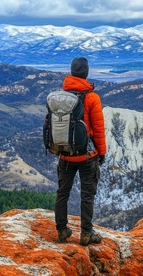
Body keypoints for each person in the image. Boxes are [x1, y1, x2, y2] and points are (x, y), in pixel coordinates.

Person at [54, 57, 107, 246]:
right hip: (87, 155)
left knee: (63, 192)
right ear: (86, 73)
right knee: (87, 194)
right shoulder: (92, 98)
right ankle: (86, 234)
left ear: (71, 72)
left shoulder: (60, 97)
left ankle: (61, 231)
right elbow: (98, 129)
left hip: (65, 153)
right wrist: (101, 152)